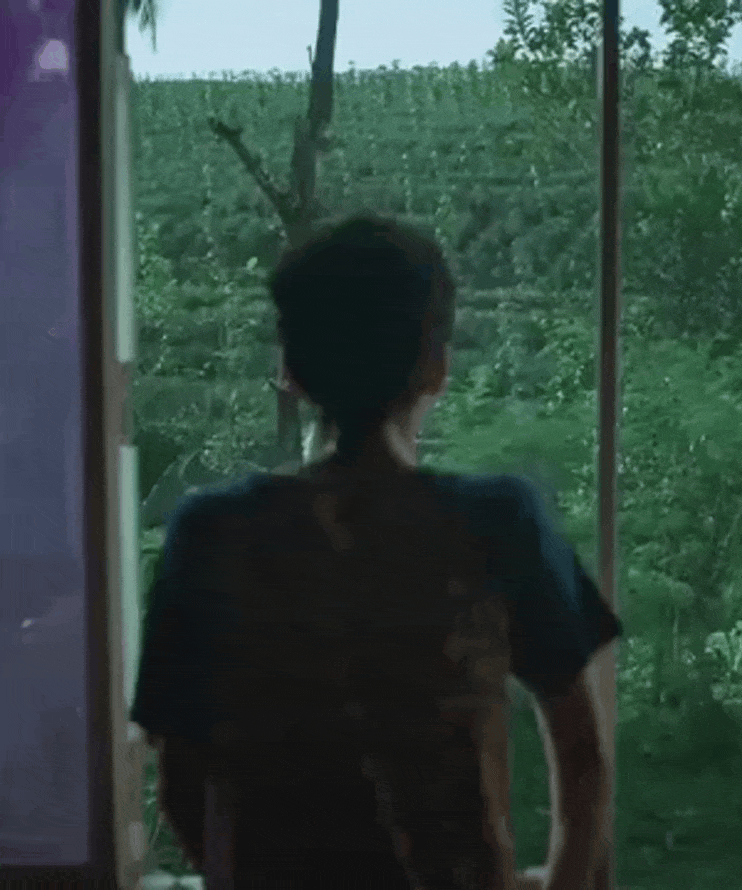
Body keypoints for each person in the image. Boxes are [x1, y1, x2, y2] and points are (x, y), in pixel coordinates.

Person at [130, 213, 622, 889]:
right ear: (438, 368)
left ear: (291, 371)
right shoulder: (497, 522)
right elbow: (584, 757)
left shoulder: (213, 534)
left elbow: (181, 779)